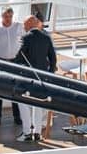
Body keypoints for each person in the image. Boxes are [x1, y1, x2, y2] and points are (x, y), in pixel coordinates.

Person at [15, 13, 57, 142]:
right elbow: (53, 58)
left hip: (28, 76)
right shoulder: (46, 37)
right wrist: (49, 73)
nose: (23, 26)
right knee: (38, 104)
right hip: (42, 76)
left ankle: (27, 133)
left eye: (24, 24)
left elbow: (20, 57)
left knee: (23, 103)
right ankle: (37, 133)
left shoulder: (26, 38)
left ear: (28, 25)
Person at [0, 6, 23, 128]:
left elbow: (24, 40)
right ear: (2, 16)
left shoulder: (18, 26)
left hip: (14, 61)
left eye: (10, 16)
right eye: (5, 16)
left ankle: (17, 116)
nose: (8, 19)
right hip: (0, 61)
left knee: (15, 89)